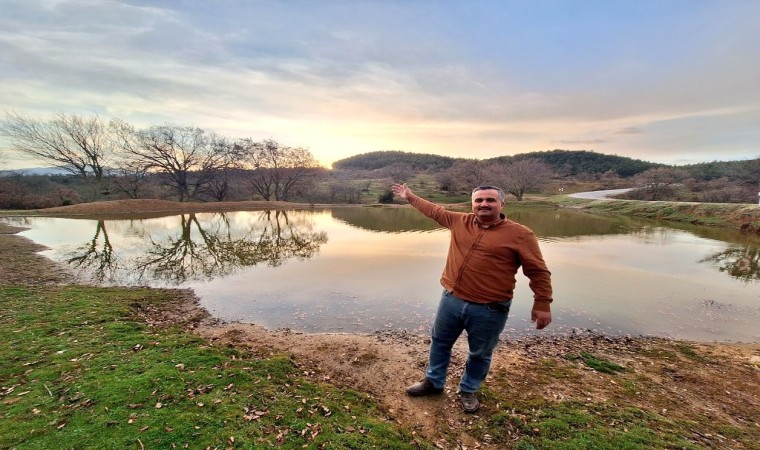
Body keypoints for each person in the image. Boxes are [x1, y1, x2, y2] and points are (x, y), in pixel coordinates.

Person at [390, 182, 553, 413]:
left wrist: (542, 302)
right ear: (472, 204)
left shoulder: (521, 234)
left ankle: (468, 389)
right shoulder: (460, 221)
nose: (483, 204)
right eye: (478, 200)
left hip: (490, 308)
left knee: (480, 353)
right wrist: (410, 196)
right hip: (451, 299)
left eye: (490, 200)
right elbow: (434, 210)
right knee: (440, 343)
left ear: (501, 204)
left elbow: (538, 271)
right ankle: (433, 381)